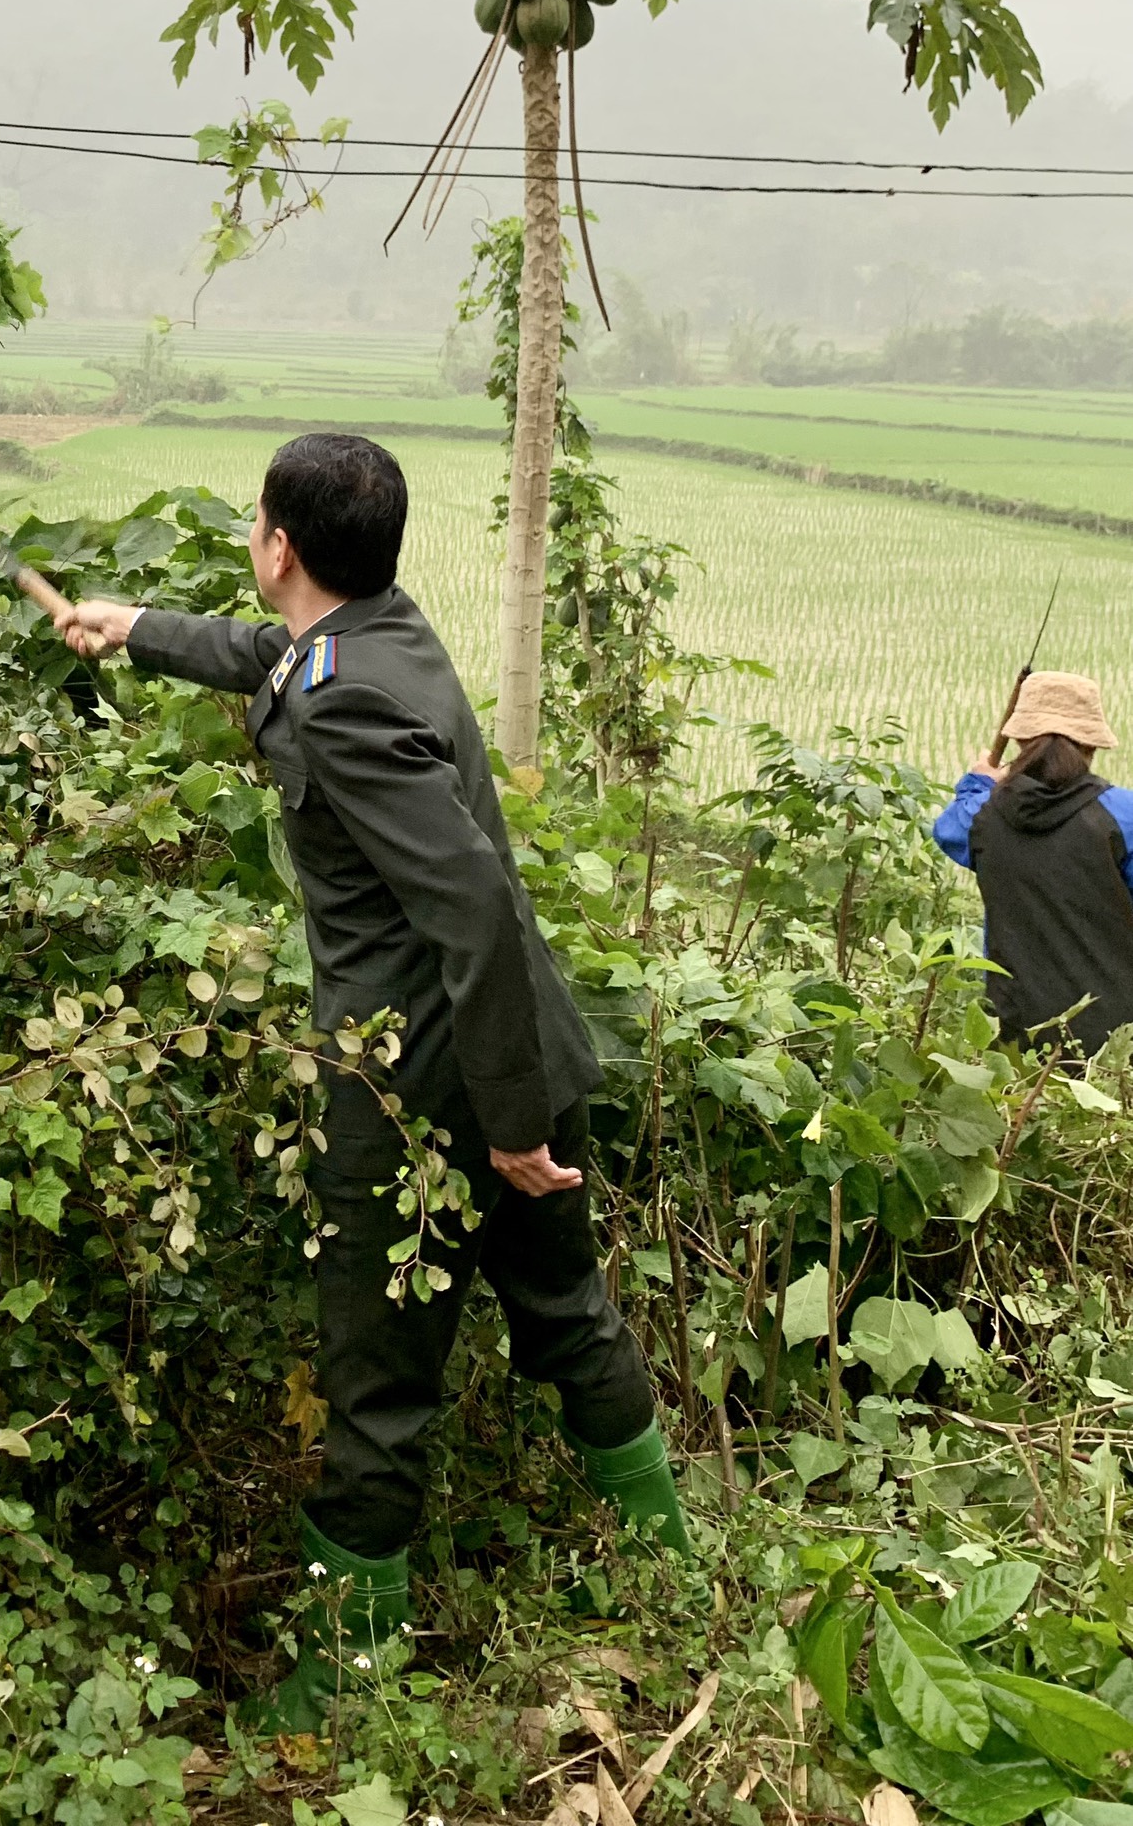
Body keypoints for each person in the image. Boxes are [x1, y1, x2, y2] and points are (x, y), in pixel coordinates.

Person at [57, 432, 685, 1723]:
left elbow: (475, 911)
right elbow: (273, 655)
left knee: (378, 1377)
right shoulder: (380, 637)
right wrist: (136, 629)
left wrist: (505, 1128)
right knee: (566, 1312)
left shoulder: (344, 699)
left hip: (428, 1098)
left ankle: (346, 1677)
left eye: (256, 524)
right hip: (523, 1052)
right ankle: (671, 1570)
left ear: (278, 545)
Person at [933, 670, 1133, 1057]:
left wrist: (980, 781)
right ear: (1092, 744)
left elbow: (948, 829)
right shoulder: (1124, 815)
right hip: (1119, 1040)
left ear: (1020, 740)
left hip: (1017, 1035)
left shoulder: (982, 816)